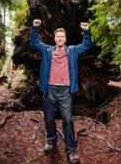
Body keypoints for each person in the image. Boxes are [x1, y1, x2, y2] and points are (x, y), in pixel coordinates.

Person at [30, 19, 92, 164]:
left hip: (65, 90)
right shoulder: (47, 50)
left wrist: (86, 31)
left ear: (65, 39)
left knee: (68, 120)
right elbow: (34, 43)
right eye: (57, 36)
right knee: (49, 118)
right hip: (50, 88)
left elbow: (86, 45)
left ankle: (71, 151)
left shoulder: (72, 51)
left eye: (62, 37)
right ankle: (51, 141)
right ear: (54, 38)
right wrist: (34, 28)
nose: (59, 38)